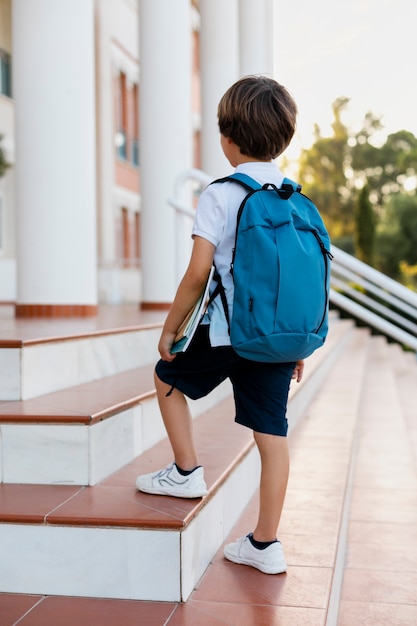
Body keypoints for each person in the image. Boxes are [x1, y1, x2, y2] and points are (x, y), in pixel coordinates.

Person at [136, 75, 304, 575]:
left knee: (166, 379)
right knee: (272, 437)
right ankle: (266, 544)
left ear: (227, 137)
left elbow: (197, 273)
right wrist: (293, 344)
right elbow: (292, 282)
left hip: (227, 332)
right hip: (275, 337)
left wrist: (170, 329)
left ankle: (187, 471)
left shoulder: (221, 194)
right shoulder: (293, 198)